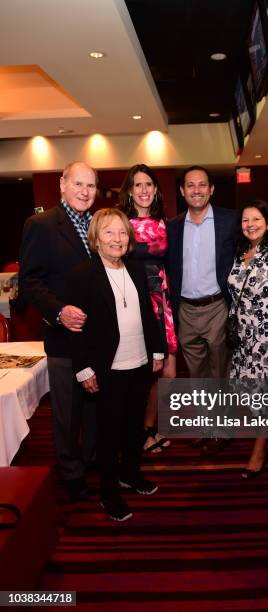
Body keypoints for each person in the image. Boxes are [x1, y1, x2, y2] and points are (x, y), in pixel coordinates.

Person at [66, 208, 164, 522]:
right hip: (108, 367)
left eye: (122, 232)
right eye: (109, 232)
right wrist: (83, 368)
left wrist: (158, 351)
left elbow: (149, 315)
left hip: (139, 362)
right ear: (95, 238)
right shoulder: (83, 274)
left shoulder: (135, 269)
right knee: (109, 434)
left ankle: (130, 475)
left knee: (134, 427)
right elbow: (76, 327)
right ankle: (108, 494)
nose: (117, 239)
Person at [19, 162, 98, 500]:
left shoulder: (99, 225)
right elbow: (30, 282)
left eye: (91, 186)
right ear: (62, 184)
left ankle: (91, 460)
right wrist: (58, 311)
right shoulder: (41, 224)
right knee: (67, 412)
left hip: (98, 338)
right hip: (64, 338)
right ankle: (70, 473)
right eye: (78, 184)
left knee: (96, 405)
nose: (85, 191)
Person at [167, 166, 236, 456]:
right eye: (190, 185)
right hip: (185, 309)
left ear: (211, 189)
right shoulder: (171, 226)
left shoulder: (229, 220)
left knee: (219, 370)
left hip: (217, 305)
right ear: (182, 191)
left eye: (202, 185)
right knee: (195, 374)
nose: (197, 190)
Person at [118, 164, 177, 453]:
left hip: (161, 302)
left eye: (148, 185)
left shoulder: (165, 222)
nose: (143, 190)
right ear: (130, 191)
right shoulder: (121, 224)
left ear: (155, 190)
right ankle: (136, 433)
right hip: (134, 302)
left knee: (167, 374)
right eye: (137, 185)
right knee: (140, 374)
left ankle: (148, 427)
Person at [228, 201, 268, 478]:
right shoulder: (241, 252)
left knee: (267, 393)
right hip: (243, 335)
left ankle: (259, 451)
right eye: (245, 220)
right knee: (251, 391)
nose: (250, 224)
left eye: (256, 218)